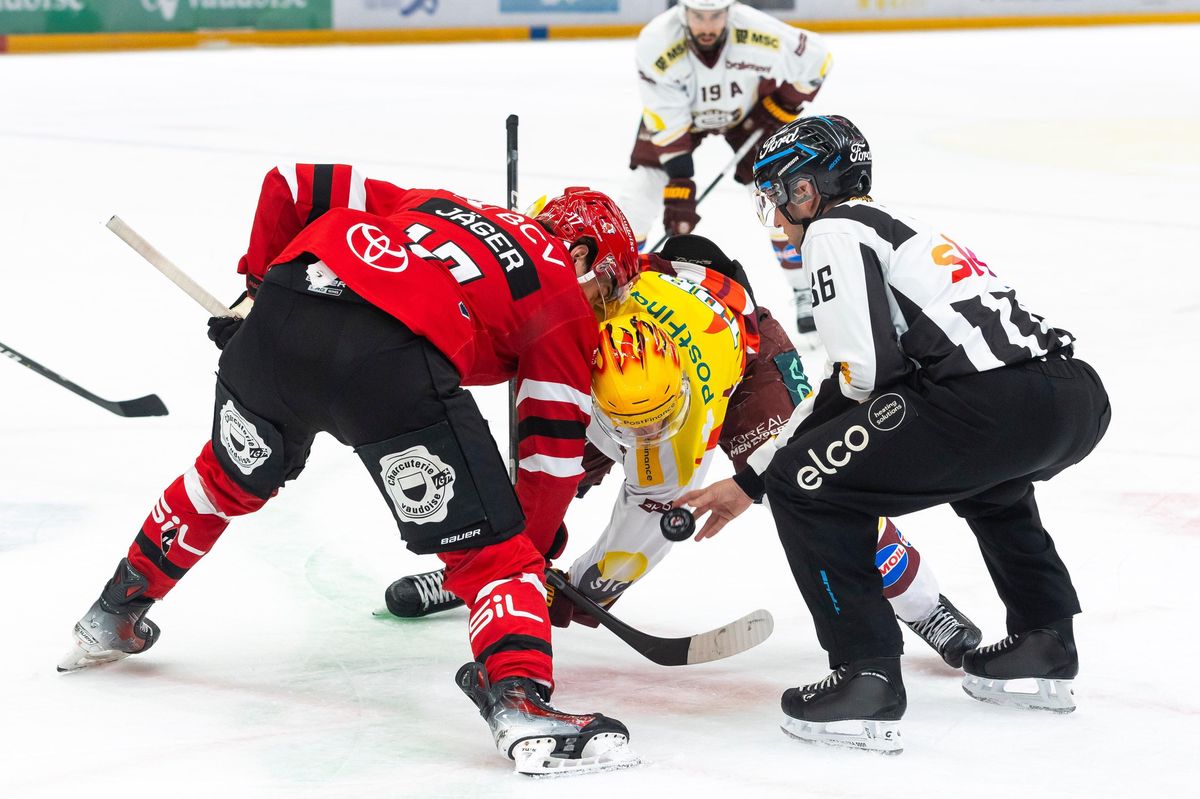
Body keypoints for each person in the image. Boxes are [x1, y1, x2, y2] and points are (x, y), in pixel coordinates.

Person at [58, 169, 643, 776]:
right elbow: (548, 458)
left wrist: (254, 295)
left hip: (287, 303)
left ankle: (112, 614)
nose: (605, 312)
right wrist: (534, 552)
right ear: (582, 253)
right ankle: (521, 706)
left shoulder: (441, 202)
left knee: (222, 480)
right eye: (609, 291)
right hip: (386, 359)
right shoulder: (560, 295)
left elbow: (290, 186)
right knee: (495, 553)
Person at [679, 115, 1112, 753]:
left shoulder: (834, 229)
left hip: (990, 405)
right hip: (1071, 396)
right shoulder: (904, 229)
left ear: (813, 188)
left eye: (783, 193)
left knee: (805, 486)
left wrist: (763, 476)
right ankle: (1045, 638)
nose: (778, 217)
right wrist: (755, 476)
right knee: (991, 481)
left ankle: (866, 672)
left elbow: (864, 376)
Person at [388, 233, 981, 670]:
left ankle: (921, 600)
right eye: (631, 426)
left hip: (746, 361)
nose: (645, 439)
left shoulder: (681, 427)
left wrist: (587, 591)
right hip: (639, 331)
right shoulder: (570, 345)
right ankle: (492, 575)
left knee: (814, 479)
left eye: (655, 424)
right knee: (539, 474)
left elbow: (646, 519)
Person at [620, 0, 832, 338]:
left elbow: (817, 58)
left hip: (747, 116)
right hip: (680, 122)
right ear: (682, 11)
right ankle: (620, 287)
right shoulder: (656, 41)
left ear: (729, 11)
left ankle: (805, 288)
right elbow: (667, 121)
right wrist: (680, 181)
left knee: (783, 196)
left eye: (715, 16)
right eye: (699, 16)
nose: (707, 25)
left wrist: (781, 106)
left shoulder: (755, 30)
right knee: (637, 201)